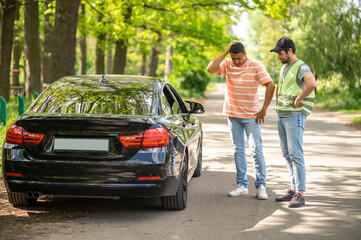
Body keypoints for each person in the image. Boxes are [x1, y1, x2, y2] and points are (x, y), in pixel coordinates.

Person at [207, 41, 275, 200]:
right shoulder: (228, 63)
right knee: (238, 150)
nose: (236, 62)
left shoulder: (256, 65)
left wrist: (263, 109)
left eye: (239, 58)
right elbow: (210, 68)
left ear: (245, 54)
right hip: (233, 115)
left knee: (256, 149)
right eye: (234, 58)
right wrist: (226, 51)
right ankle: (242, 185)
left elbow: (270, 85)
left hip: (251, 116)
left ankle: (261, 186)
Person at [270, 36, 317, 208]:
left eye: (280, 53)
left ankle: (301, 193)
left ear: (290, 51)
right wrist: (277, 106)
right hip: (283, 115)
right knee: (287, 154)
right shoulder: (285, 68)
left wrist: (299, 98)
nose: (278, 56)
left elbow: (311, 84)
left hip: (295, 115)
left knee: (296, 155)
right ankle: (293, 188)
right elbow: (278, 88)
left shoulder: (301, 66)